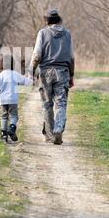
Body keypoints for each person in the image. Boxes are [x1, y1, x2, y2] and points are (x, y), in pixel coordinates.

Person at [29, 9, 75, 145]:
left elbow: (37, 55)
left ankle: (50, 135)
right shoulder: (67, 34)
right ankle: (58, 128)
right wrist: (71, 75)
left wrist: (30, 71)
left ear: (47, 21)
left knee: (47, 104)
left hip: (45, 72)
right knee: (61, 103)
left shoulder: (43, 33)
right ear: (59, 19)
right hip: (63, 72)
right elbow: (71, 58)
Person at [0, 55, 33, 142]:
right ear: (12, 64)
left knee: (3, 117)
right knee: (14, 116)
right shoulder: (15, 75)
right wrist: (30, 78)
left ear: (1, 65)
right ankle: (12, 128)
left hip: (3, 101)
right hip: (13, 100)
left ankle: (4, 134)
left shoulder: (0, 76)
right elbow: (27, 83)